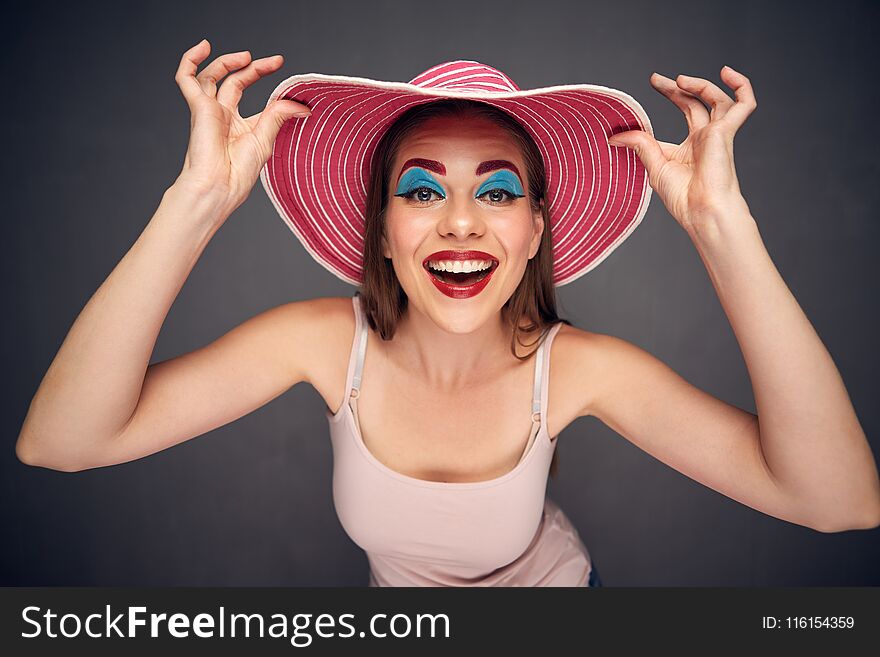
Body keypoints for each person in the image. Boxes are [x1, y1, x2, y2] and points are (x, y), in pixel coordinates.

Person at [15, 40, 880, 588]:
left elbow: (837, 503)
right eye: (422, 190)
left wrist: (721, 228)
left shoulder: (575, 368)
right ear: (383, 234)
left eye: (497, 193)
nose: (461, 221)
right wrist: (195, 199)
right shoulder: (323, 344)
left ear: (536, 229)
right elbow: (63, 440)